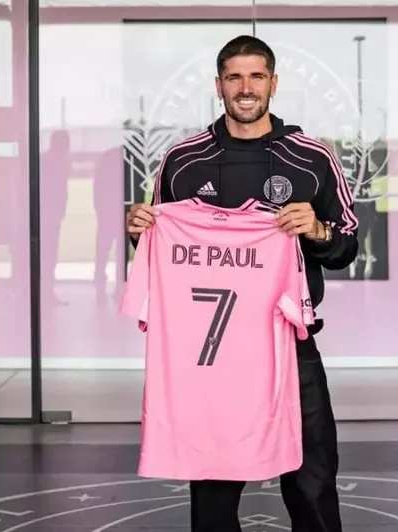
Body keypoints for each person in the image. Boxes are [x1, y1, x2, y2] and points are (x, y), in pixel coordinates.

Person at [125, 34, 358, 532]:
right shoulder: (183, 160)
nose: (245, 87)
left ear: (274, 83)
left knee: (313, 479)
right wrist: (139, 231)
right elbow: (161, 251)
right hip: (211, 354)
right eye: (234, 77)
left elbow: (346, 246)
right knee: (213, 482)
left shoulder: (312, 158)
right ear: (219, 86)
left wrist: (317, 231)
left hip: (290, 343)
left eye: (256, 76)